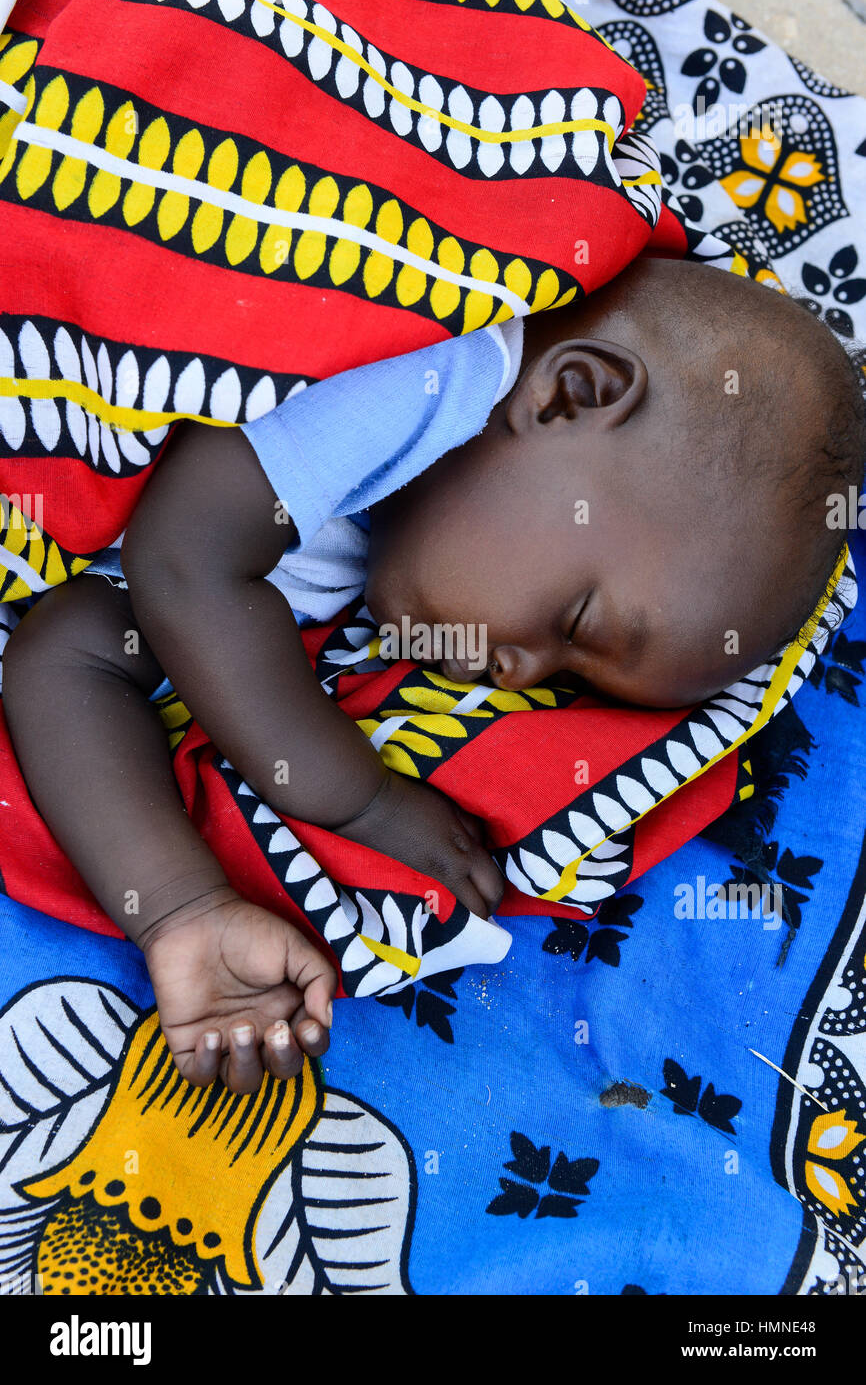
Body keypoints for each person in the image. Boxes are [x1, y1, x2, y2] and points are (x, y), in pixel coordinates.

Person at [4, 255, 864, 1093]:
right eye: (572, 623)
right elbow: (184, 563)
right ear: (572, 394)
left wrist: (179, 908)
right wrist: (356, 797)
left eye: (575, 679)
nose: (518, 676)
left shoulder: (355, 548)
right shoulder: (429, 368)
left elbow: (62, 656)